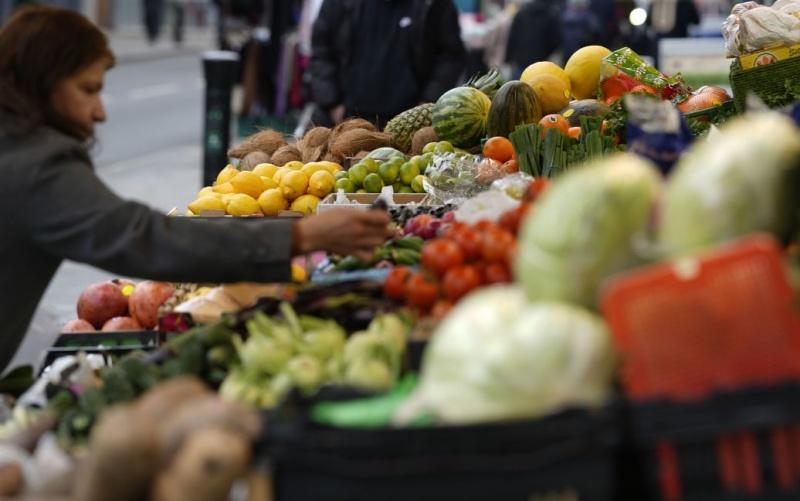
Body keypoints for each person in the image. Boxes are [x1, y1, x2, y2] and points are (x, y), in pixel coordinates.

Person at [0, 6, 394, 372]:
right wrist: (299, 236)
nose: (100, 112)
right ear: (43, 85)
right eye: (88, 90)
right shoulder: (38, 166)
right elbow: (141, 238)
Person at [310, 0, 466, 128]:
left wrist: (427, 102)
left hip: (408, 123)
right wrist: (332, 103)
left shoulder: (433, 4)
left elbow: (450, 55)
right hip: (346, 119)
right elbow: (322, 51)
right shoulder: (340, 3)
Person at [505, 0, 562, 77]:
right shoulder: (551, 14)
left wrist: (508, 58)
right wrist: (547, 53)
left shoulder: (521, 12)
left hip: (521, 61)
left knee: (518, 83)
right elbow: (556, 40)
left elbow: (512, 37)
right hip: (541, 64)